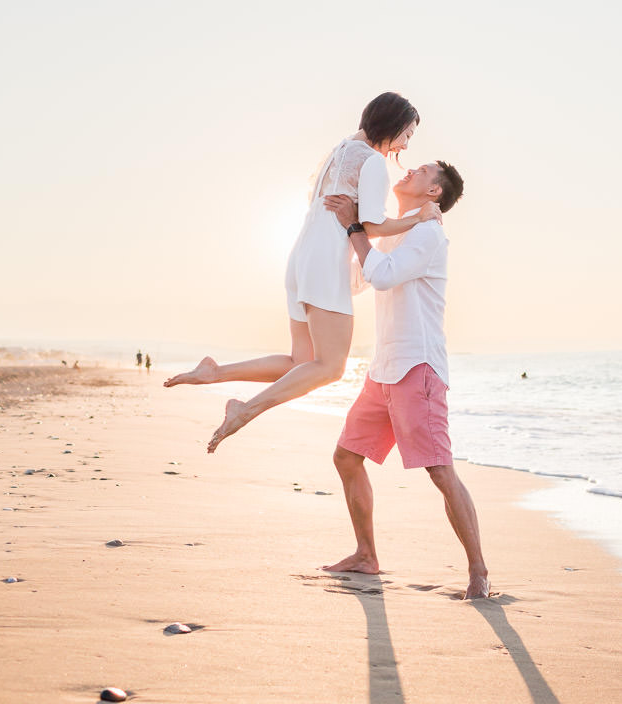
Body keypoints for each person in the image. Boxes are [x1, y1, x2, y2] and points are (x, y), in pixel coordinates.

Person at [165, 93, 441, 453]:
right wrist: (415, 219)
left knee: (302, 360)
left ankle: (215, 372)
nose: (405, 144)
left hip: (299, 260)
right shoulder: (373, 160)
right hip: (326, 262)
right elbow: (371, 224)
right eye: (407, 134)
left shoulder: (340, 150)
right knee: (330, 367)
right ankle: (244, 410)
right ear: (393, 123)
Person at [323, 160, 489, 599]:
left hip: (419, 368)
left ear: (434, 193)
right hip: (382, 369)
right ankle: (366, 555)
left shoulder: (429, 236)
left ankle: (478, 572)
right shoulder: (400, 229)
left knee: (440, 471)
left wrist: (354, 225)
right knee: (346, 457)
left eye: (421, 170)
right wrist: (354, 227)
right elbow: (362, 276)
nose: (409, 169)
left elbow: (382, 276)